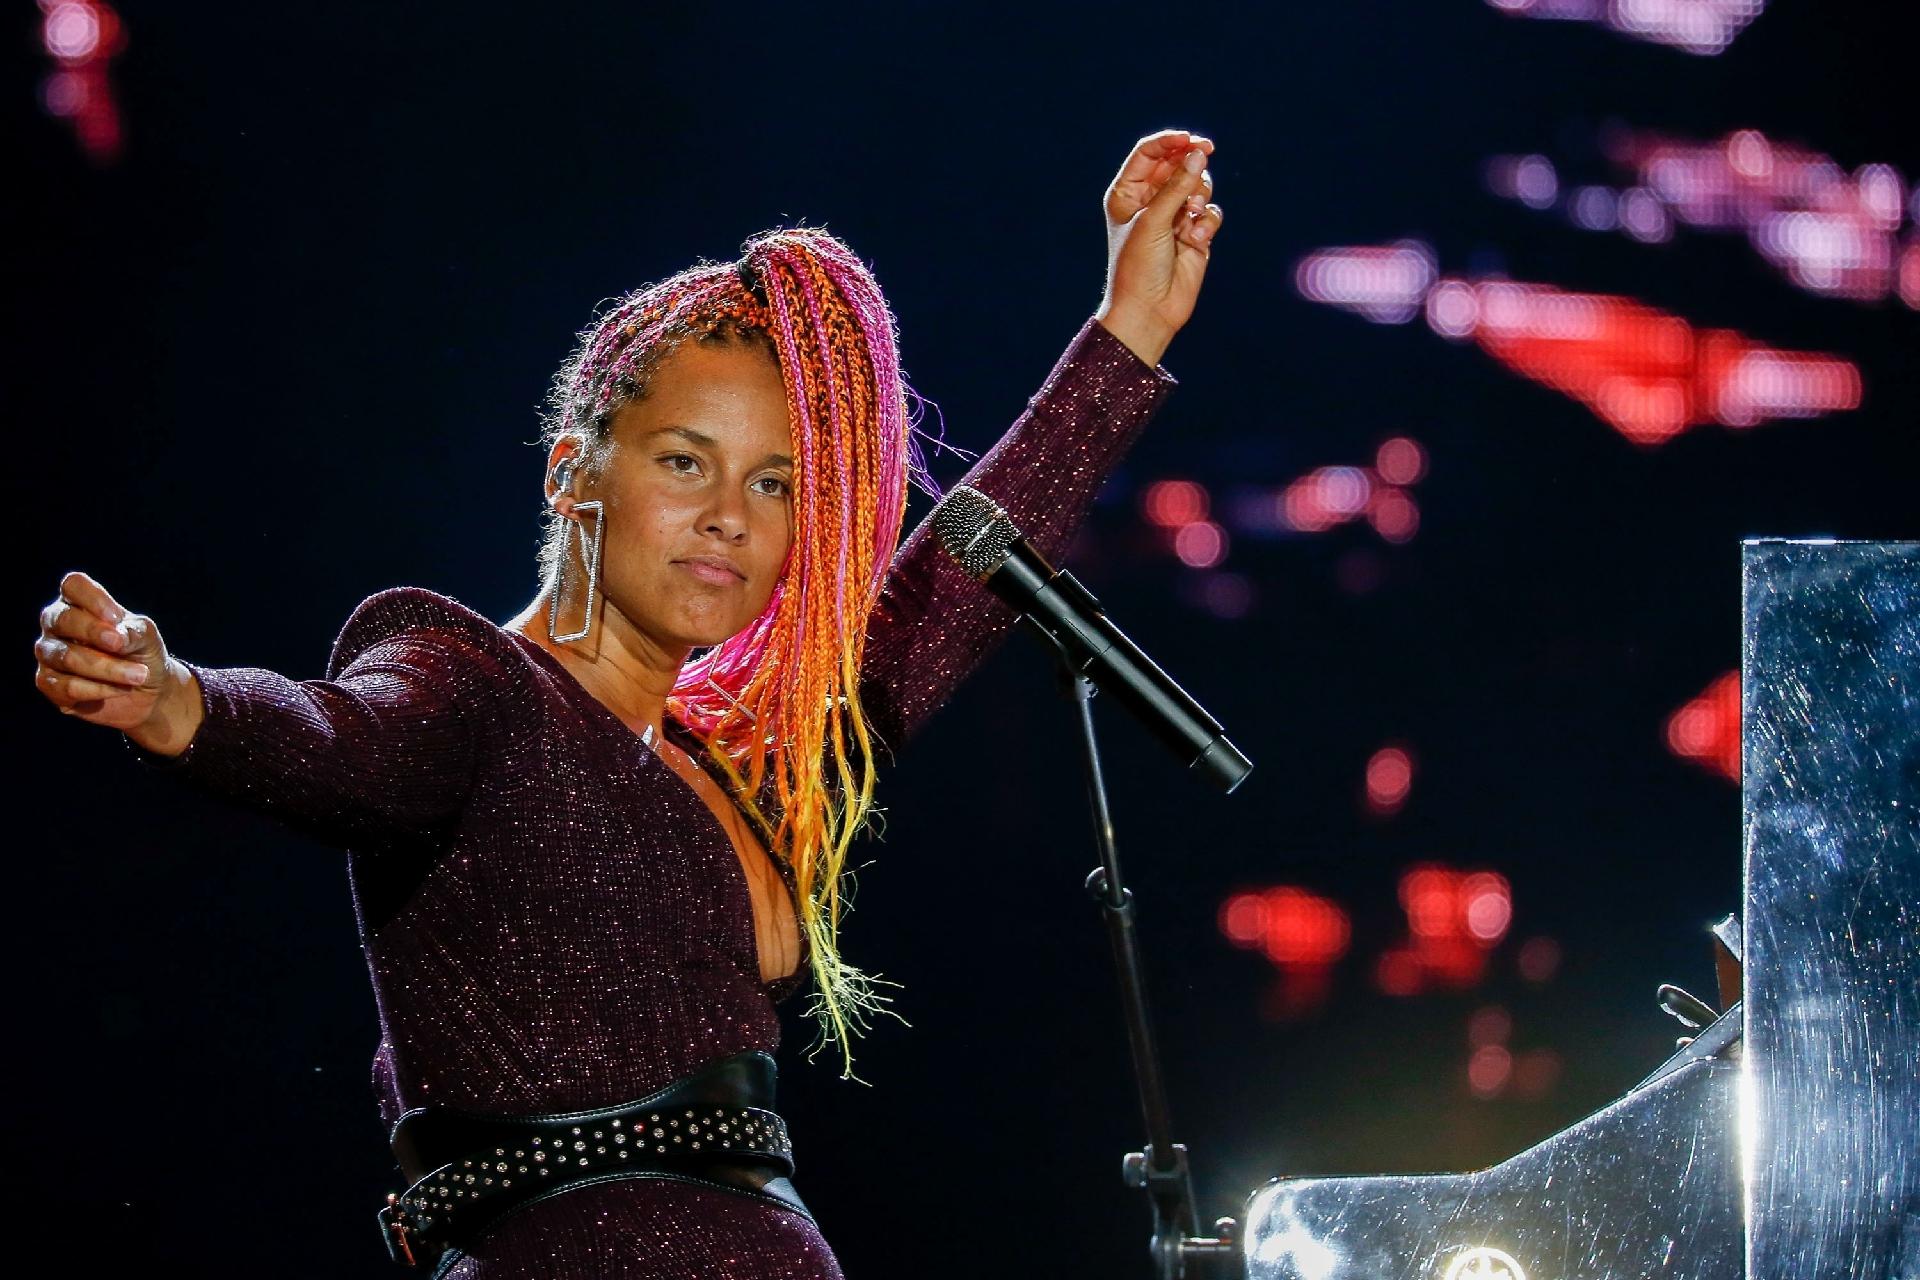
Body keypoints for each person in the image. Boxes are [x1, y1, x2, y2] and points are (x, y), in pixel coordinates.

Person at [33, 128, 1224, 1278]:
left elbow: (952, 582)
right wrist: (180, 698)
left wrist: (1130, 327)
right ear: (572, 472)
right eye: (682, 460)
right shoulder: (478, 684)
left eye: (773, 483)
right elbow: (346, 740)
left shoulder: (735, 757)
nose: (729, 515)